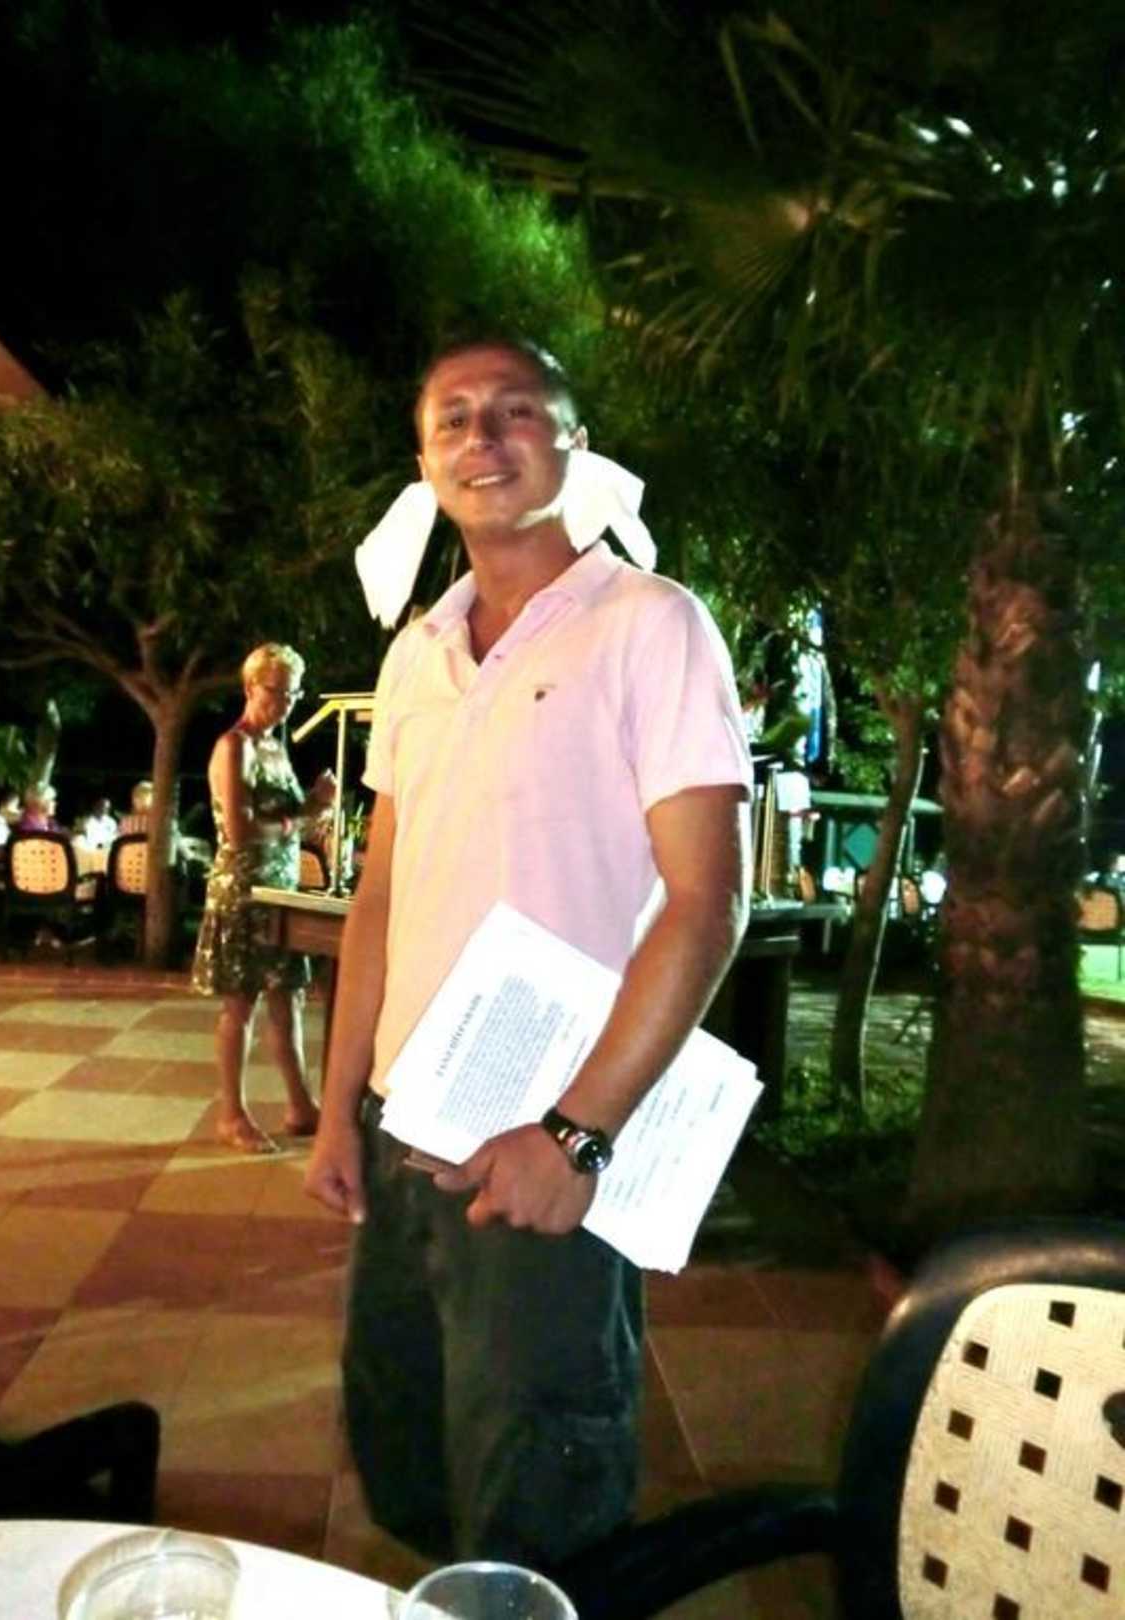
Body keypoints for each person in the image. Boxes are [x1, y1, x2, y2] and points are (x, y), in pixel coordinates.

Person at [303, 338, 752, 1568]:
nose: (482, 436)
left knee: (536, 1508)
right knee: (409, 1474)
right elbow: (380, 898)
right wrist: (339, 1113)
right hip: (408, 1136)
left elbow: (708, 902)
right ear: (423, 463)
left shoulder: (651, 626)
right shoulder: (415, 654)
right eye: (453, 418)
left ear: (571, 444)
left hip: (544, 1142)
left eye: (515, 411)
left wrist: (576, 1138)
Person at [191, 643, 321, 1154]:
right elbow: (241, 830)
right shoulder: (236, 746)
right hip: (243, 893)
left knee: (288, 999)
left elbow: (284, 820)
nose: (285, 703)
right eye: (276, 691)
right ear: (250, 688)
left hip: (279, 893)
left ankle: (301, 1104)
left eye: (293, 694)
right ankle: (232, 1114)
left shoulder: (274, 746)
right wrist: (306, 815)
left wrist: (312, 811)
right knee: (240, 1004)